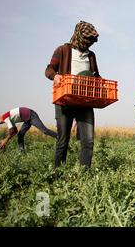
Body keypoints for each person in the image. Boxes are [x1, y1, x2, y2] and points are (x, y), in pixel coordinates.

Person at [45, 20, 100, 168]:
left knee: (88, 141)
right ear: (79, 36)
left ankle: (84, 174)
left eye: (92, 40)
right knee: (63, 140)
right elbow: (49, 69)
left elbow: (95, 76)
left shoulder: (91, 55)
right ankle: (57, 172)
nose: (90, 43)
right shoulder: (63, 50)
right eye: (87, 39)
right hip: (65, 101)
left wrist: (101, 85)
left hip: (84, 102)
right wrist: (55, 76)